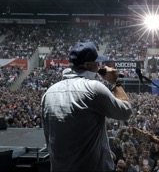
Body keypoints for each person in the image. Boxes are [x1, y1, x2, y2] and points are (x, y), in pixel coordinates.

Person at [41, 42, 133, 172]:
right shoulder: (94, 88)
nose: (99, 66)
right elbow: (126, 112)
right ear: (87, 65)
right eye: (97, 63)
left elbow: (48, 136)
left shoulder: (49, 93)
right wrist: (115, 82)